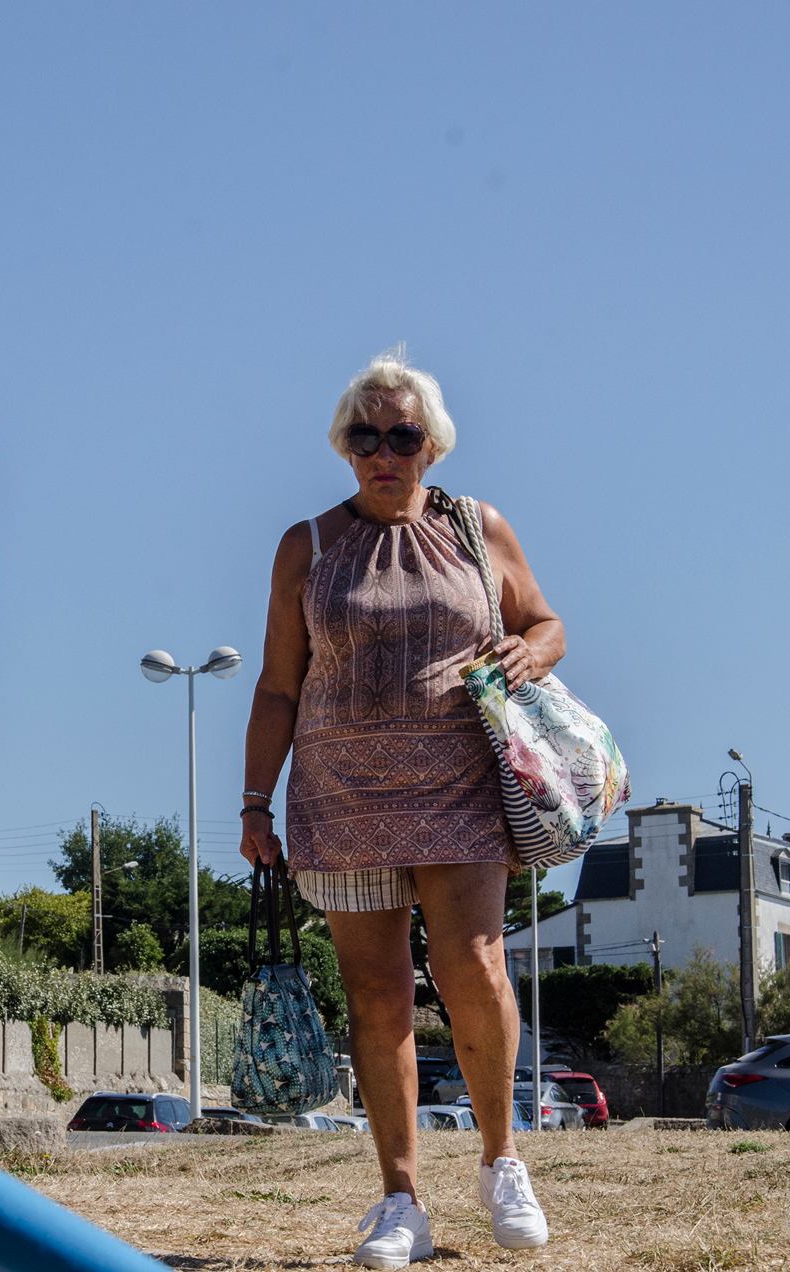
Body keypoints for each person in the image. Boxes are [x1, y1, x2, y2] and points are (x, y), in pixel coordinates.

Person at [238, 350, 560, 1266]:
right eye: (364, 436)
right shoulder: (307, 546)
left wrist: (533, 654)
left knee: (475, 967)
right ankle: (402, 1200)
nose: (384, 452)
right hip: (341, 797)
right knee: (377, 995)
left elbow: (546, 621)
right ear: (344, 448)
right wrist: (256, 801)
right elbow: (274, 688)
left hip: (459, 786)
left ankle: (502, 1162)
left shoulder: (475, 526)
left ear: (432, 445)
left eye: (402, 435)